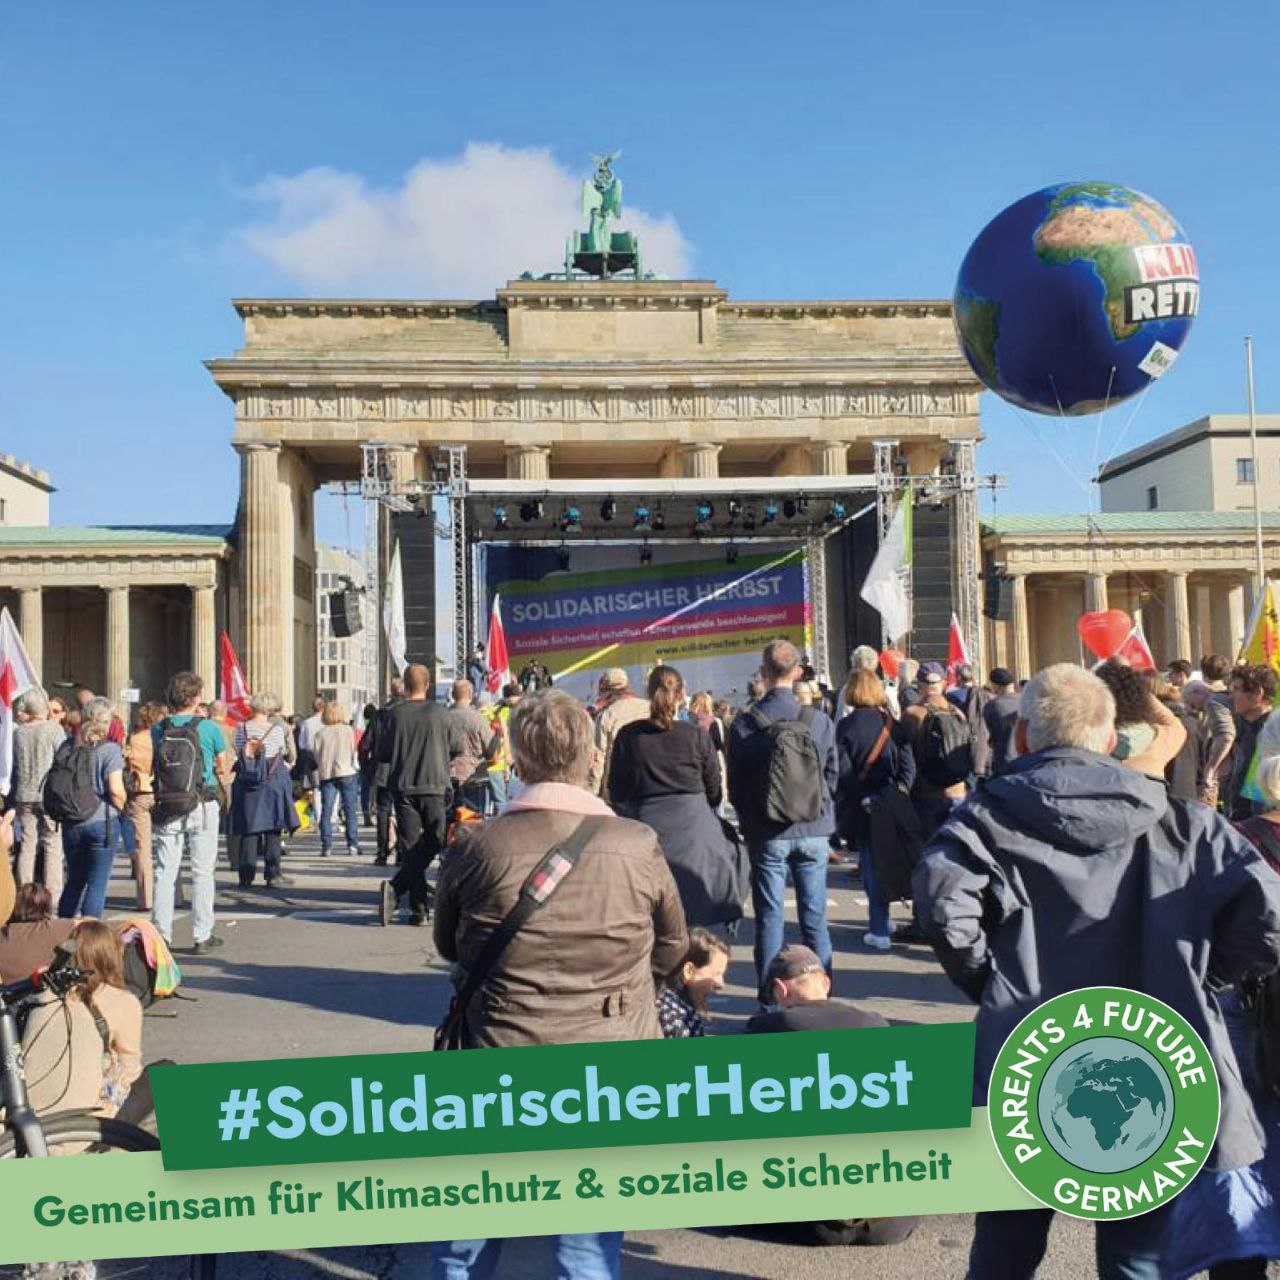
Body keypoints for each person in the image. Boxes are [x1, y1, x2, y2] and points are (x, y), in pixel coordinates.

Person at [913, 663, 1280, 1279]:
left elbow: (941, 902)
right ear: (1110, 739)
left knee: (1006, 1242)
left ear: (1025, 738)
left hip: (1025, 1049)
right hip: (1156, 1055)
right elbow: (1268, 914)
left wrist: (992, 980)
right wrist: (1203, 977)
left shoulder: (986, 818)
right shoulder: (1185, 823)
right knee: (1138, 1254)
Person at [430, 688, 685, 1280]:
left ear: (517, 763)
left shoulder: (478, 846)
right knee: (584, 1247)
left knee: (465, 1237)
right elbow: (673, 948)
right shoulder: (637, 845)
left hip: (496, 1052)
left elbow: (449, 945)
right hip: (609, 1057)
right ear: (592, 759)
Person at [728, 638, 838, 1005]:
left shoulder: (747, 722)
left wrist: (750, 820)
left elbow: (737, 785)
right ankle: (821, 995)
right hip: (814, 828)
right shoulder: (818, 719)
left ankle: (769, 999)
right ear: (796, 672)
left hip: (767, 831)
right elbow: (833, 774)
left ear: (763, 671)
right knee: (815, 918)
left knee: (770, 919)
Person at [609, 666, 747, 930]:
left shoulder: (629, 736)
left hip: (646, 831)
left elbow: (617, 791)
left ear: (649, 694)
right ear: (682, 694)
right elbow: (715, 790)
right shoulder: (695, 735)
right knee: (736, 855)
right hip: (694, 830)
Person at [22, 919, 142, 1119]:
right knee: (164, 1070)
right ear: (113, 955)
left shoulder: (44, 994)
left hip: (30, 1116)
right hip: (84, 1124)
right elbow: (130, 1067)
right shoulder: (124, 1001)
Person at [835, 668, 916, 950]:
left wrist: (861, 799)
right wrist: (899, 792)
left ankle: (879, 926)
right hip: (892, 802)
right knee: (892, 861)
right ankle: (886, 918)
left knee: (871, 865)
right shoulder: (892, 724)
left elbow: (843, 774)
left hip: (864, 806)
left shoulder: (845, 727)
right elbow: (908, 767)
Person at [151, 671, 232, 954]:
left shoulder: (159, 729)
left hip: (169, 802)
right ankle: (202, 934)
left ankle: (161, 935)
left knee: (165, 871)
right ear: (196, 698)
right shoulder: (209, 728)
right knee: (202, 871)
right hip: (202, 801)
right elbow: (222, 765)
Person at [377, 663, 451, 926]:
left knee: (410, 846)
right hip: (435, 784)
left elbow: (382, 754)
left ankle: (414, 906)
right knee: (436, 840)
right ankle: (404, 896)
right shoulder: (440, 713)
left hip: (404, 786)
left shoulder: (394, 716)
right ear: (428, 685)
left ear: (405, 686)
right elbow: (456, 745)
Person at [58, 698, 126, 920]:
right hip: (102, 821)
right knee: (98, 881)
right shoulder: (110, 749)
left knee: (75, 880)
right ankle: (89, 937)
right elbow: (115, 790)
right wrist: (124, 807)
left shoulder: (67, 746)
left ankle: (63, 931)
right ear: (107, 723)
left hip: (71, 820)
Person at [230, 692, 297, 888]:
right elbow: (283, 752)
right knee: (273, 828)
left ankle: (246, 874)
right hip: (272, 781)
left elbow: (237, 750)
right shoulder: (276, 730)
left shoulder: (240, 729)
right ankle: (273, 873)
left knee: (249, 829)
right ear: (269, 709)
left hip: (248, 782)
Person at [900, 661, 970, 839]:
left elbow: (905, 754)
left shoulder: (912, 713)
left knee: (928, 849)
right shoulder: (958, 713)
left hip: (926, 792)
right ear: (944, 683)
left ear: (919, 685)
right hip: (956, 790)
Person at [11, 689, 68, 902]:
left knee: (27, 845)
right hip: (48, 794)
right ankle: (52, 895)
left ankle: (24, 894)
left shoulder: (19, 732)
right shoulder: (53, 730)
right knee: (52, 843)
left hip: (24, 794)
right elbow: (64, 759)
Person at [123, 700, 164, 910]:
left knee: (143, 848)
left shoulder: (134, 739)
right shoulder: (163, 738)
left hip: (139, 792)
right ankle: (174, 895)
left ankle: (145, 899)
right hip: (162, 791)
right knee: (168, 846)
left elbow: (126, 763)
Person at [586, 668, 649, 799]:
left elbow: (599, 759)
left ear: (607, 692)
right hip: (649, 783)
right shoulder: (649, 707)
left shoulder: (607, 716)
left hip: (619, 789)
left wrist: (594, 795)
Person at [656, 928, 731, 1038]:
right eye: (716, 974)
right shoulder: (677, 1022)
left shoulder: (660, 1002)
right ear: (689, 971)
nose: (721, 984)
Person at [1228, 664, 1277, 821]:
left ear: (1257, 693)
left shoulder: (1272, 733)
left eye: (1236, 689)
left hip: (1261, 828)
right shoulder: (1249, 727)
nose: (1231, 695)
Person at [0, 882, 75, 984]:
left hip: (7, 991)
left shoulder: (4, 933)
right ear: (46, 908)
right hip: (39, 989)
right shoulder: (53, 928)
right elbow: (88, 922)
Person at [314, 699, 361, 857]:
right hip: (346, 771)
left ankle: (326, 845)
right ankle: (352, 844)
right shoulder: (348, 730)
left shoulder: (320, 733)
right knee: (349, 810)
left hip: (327, 774)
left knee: (326, 811)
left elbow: (316, 755)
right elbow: (353, 749)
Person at [446, 679, 495, 814]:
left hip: (448, 776)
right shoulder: (478, 719)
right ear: (470, 694)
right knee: (474, 821)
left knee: (450, 821)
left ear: (453, 695)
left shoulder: (442, 717)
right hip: (474, 775)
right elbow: (491, 751)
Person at [981, 667, 1020, 777]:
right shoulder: (1027, 701)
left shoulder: (992, 706)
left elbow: (985, 735)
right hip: (1028, 761)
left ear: (995, 686)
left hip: (1004, 761)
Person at [356, 702, 380, 826]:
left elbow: (364, 745)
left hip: (370, 764)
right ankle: (374, 812)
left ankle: (367, 814)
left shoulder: (371, 725)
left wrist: (363, 760)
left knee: (367, 789)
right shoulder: (383, 723)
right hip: (381, 763)